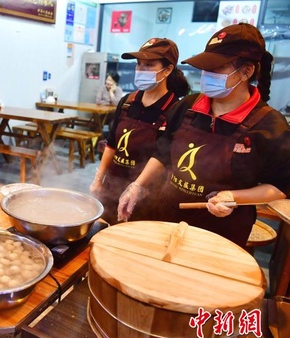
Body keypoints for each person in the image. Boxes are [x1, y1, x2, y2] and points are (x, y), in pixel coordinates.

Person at [117, 23, 290, 249]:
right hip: (167, 217)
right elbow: (162, 153)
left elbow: (279, 187)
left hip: (220, 234)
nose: (206, 75)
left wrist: (234, 197)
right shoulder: (188, 106)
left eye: (215, 68)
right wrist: (137, 185)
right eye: (205, 68)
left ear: (246, 71)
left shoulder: (269, 125)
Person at [90, 38, 190, 224]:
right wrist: (99, 178)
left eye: (149, 65)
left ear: (167, 70)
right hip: (112, 186)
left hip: (146, 195)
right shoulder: (128, 101)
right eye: (139, 65)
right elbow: (112, 144)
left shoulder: (175, 109)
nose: (140, 70)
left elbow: (163, 156)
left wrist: (136, 187)